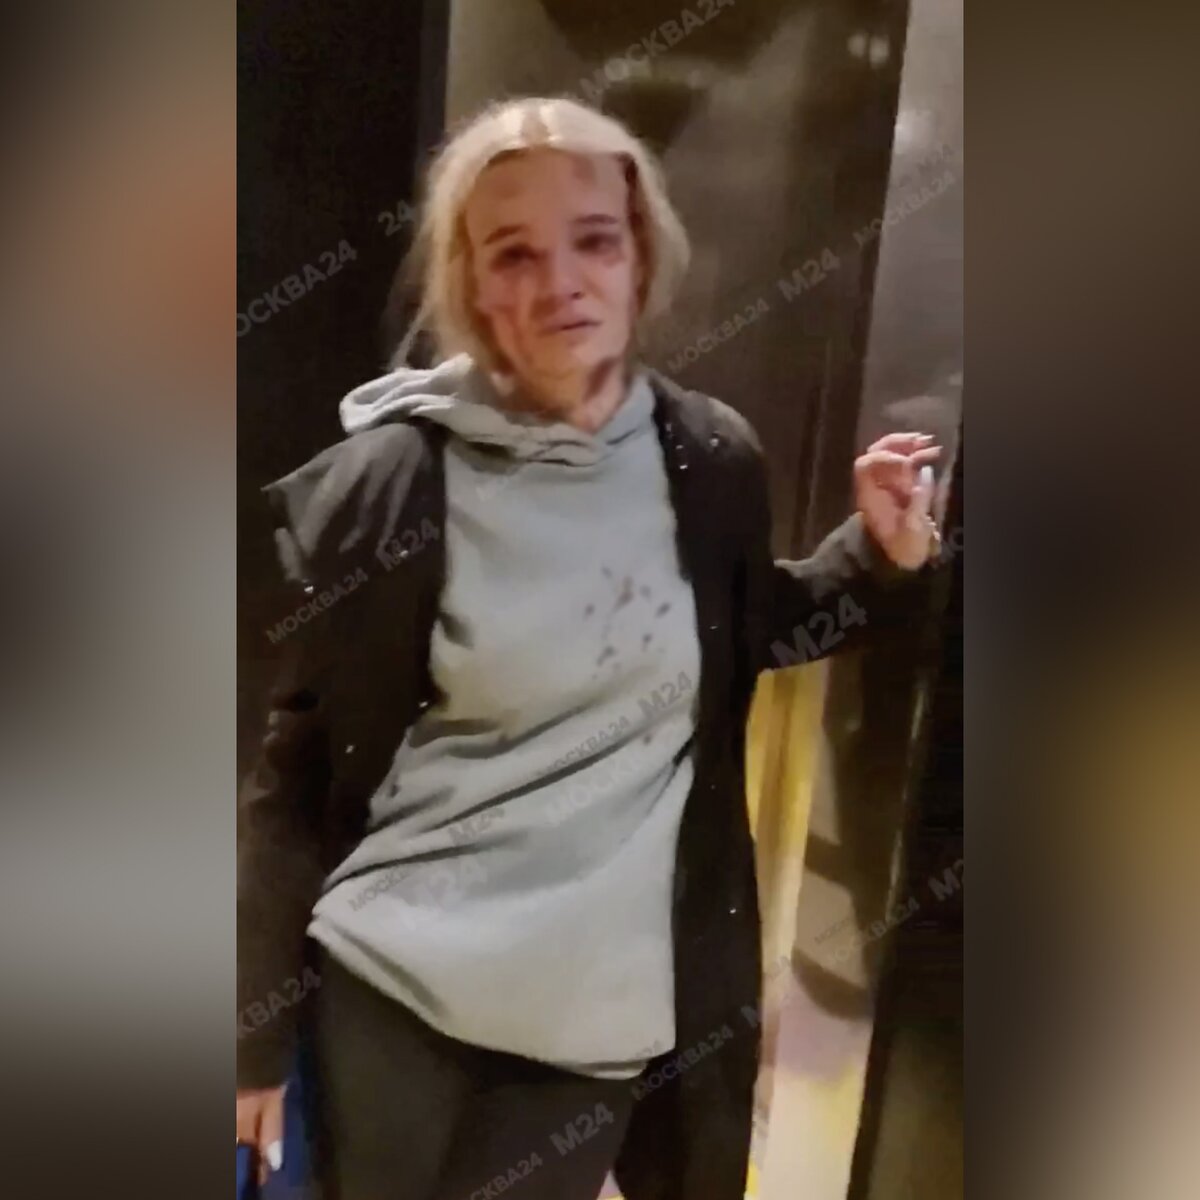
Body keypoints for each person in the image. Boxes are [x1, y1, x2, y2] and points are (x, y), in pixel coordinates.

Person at [236, 96, 941, 1200]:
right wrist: (251, 1038)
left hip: (593, 1024)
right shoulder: (396, 483)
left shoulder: (709, 459)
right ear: (470, 287)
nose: (559, 281)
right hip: (392, 993)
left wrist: (878, 554)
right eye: (513, 253)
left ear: (640, 259)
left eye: (595, 241)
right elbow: (297, 780)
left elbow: (747, 628)